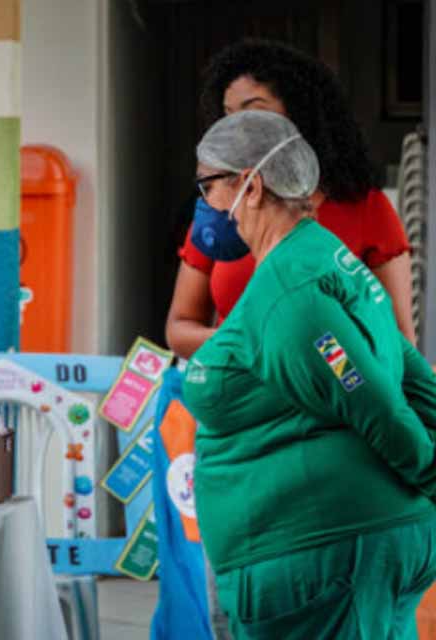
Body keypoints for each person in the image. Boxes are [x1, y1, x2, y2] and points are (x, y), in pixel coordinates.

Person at [183, 109, 436, 639]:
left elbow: (372, 401)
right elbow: (412, 376)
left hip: (323, 559)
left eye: (209, 186)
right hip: (353, 547)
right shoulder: (327, 258)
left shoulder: (290, 294)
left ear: (251, 187)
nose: (203, 206)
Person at [166, 39, 415, 360]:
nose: (238, 128)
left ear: (301, 115)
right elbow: (181, 326)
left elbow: (399, 343)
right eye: (228, 116)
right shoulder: (219, 204)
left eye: (254, 111)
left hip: (331, 403)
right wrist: (249, 343)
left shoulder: (367, 208)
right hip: (236, 398)